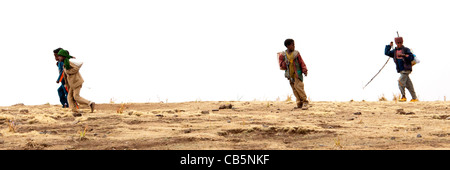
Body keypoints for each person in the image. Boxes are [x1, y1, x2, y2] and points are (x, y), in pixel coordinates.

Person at [57, 49, 96, 113]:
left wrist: (68, 71)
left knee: (76, 97)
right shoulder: (65, 63)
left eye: (60, 56)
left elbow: (76, 69)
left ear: (63, 56)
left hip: (77, 82)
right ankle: (74, 111)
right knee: (69, 98)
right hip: (72, 84)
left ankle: (90, 103)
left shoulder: (69, 62)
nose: (59, 58)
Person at [384, 36, 418, 102]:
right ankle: (414, 98)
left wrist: (403, 55)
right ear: (396, 43)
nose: (399, 44)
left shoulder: (406, 50)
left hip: (406, 70)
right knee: (409, 85)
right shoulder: (394, 51)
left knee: (400, 82)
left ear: (402, 42)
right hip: (401, 70)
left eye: (400, 42)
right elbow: (387, 53)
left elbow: (411, 57)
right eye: (398, 43)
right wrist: (389, 46)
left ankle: (403, 97)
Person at [278, 39, 309, 109]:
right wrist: (284, 63)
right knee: (294, 89)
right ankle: (299, 103)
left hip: (297, 74)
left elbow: (301, 62)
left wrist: (304, 70)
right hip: (290, 75)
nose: (294, 46)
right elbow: (281, 65)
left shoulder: (296, 53)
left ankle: (305, 102)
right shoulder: (283, 55)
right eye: (292, 45)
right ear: (288, 46)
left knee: (299, 87)